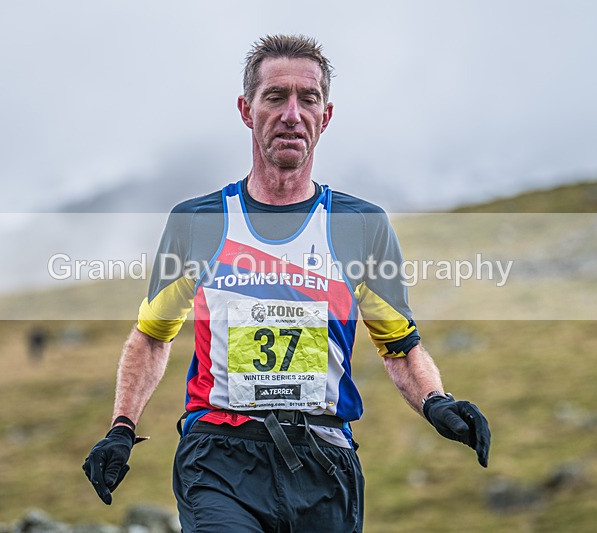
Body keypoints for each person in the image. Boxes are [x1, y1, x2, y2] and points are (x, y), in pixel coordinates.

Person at [83, 34, 490, 532]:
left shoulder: (361, 226)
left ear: (327, 114)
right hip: (219, 457)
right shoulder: (199, 221)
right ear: (246, 109)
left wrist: (438, 403)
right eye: (275, 96)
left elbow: (400, 346)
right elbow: (151, 335)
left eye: (308, 98)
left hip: (324, 461)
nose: (292, 113)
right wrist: (121, 429)